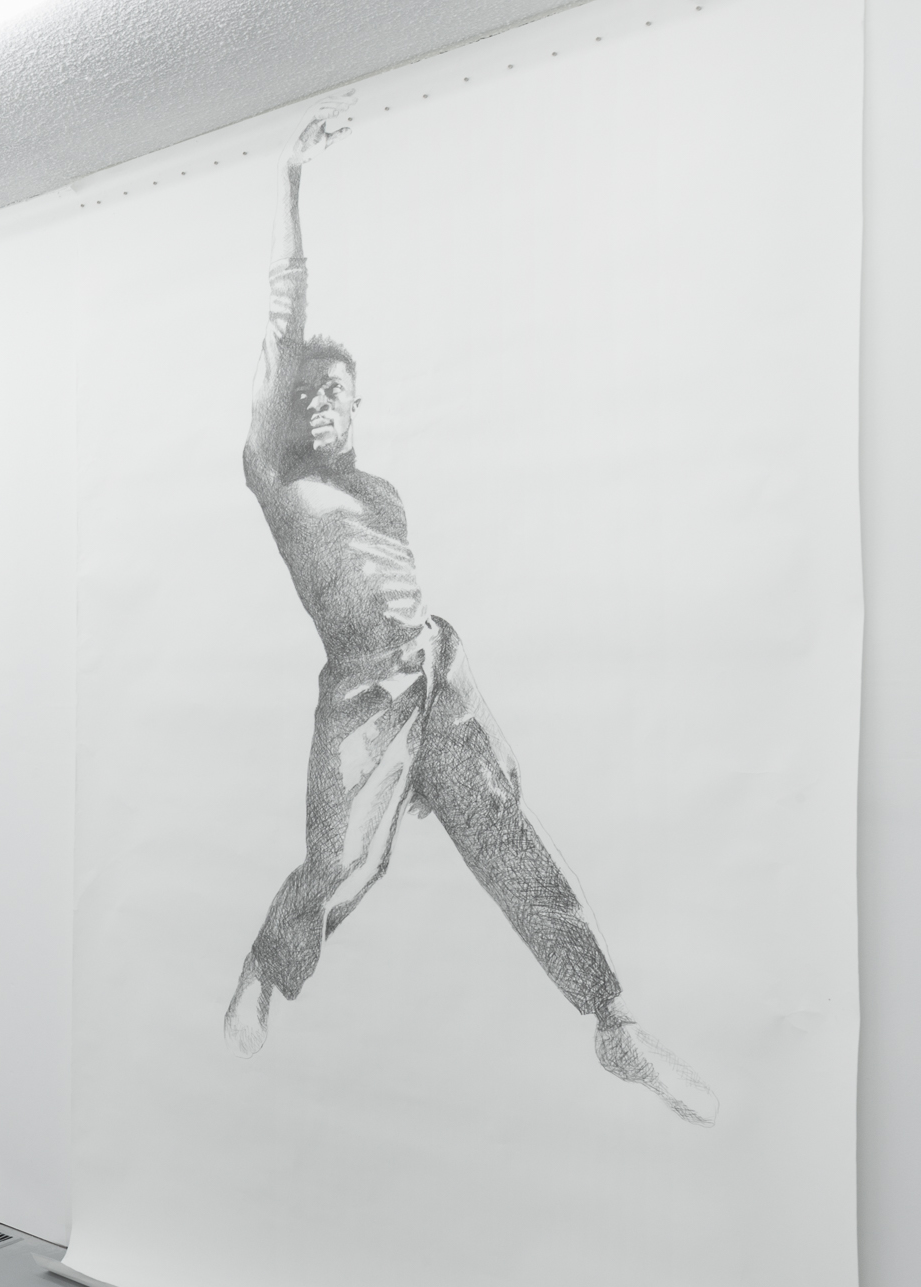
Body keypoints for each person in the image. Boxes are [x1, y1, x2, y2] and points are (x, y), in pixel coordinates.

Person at [224, 104, 717, 1126]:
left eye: (335, 391)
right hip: (363, 691)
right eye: (305, 391)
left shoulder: (383, 494)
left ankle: (614, 1023)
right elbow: (283, 318)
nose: (318, 402)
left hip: (434, 672)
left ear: (358, 404)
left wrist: (468, 712)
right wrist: (289, 181)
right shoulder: (277, 473)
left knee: (508, 837)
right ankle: (266, 970)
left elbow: (415, 611)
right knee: (347, 860)